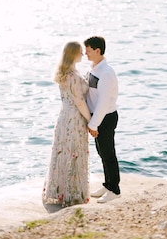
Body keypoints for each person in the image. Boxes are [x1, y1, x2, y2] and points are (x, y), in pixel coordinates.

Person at [42, 41, 91, 206]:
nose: (83, 55)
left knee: (64, 151)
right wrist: (91, 120)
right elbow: (79, 102)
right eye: (80, 52)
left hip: (64, 116)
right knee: (74, 152)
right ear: (74, 54)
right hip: (75, 118)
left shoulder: (64, 73)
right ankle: (72, 192)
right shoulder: (73, 77)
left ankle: (60, 190)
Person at [84, 36, 121, 203]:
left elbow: (104, 102)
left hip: (106, 117)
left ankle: (114, 189)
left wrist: (93, 124)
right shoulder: (94, 68)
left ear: (97, 50)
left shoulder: (106, 72)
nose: (86, 53)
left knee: (108, 154)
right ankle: (107, 185)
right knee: (102, 153)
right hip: (98, 117)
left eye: (89, 50)